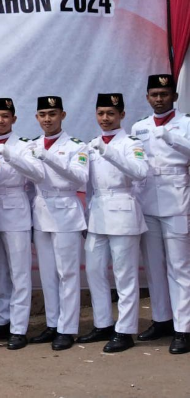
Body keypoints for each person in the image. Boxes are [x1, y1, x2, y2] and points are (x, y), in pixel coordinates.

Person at [79, 94, 147, 353]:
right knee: (94, 272)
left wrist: (110, 153)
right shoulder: (92, 143)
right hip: (98, 214)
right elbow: (86, 183)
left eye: (110, 113)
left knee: (125, 276)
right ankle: (103, 323)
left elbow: (140, 172)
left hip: (123, 212)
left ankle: (126, 330)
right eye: (100, 113)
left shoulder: (131, 143)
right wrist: (85, 214)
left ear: (122, 115)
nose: (105, 118)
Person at [131, 74, 190, 354]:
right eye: (154, 94)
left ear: (174, 97)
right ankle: (162, 319)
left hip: (177, 199)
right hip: (146, 200)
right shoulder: (138, 127)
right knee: (153, 266)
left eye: (164, 94)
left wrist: (170, 136)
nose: (159, 99)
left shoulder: (186, 124)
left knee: (179, 267)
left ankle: (184, 328)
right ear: (147, 97)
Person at [27, 96, 89, 351]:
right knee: (48, 274)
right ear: (37, 118)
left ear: (62, 115)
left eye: (52, 114)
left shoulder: (76, 145)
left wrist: (50, 158)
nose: (47, 119)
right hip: (41, 213)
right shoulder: (31, 145)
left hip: (66, 212)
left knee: (68, 273)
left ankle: (68, 327)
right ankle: (52, 323)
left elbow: (80, 177)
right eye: (42, 114)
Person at [0, 98, 42, 350]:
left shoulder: (24, 146)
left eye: (5, 116)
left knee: (19, 272)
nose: (0, 120)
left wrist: (11, 155)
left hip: (16, 208)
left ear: (14, 119)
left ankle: (19, 327)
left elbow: (35, 174)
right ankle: (3, 319)